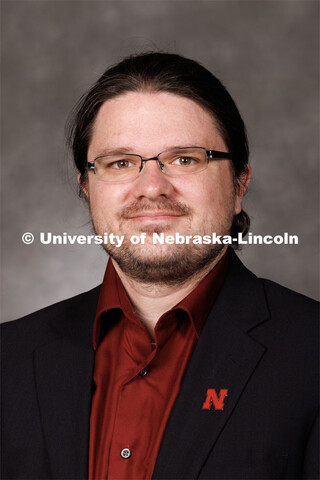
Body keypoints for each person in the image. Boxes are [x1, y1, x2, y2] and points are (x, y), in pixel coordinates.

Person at [1, 52, 318, 480]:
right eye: (120, 163)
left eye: (185, 159)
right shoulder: (10, 357)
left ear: (239, 184)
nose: (152, 187)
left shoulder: (311, 353)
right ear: (87, 188)